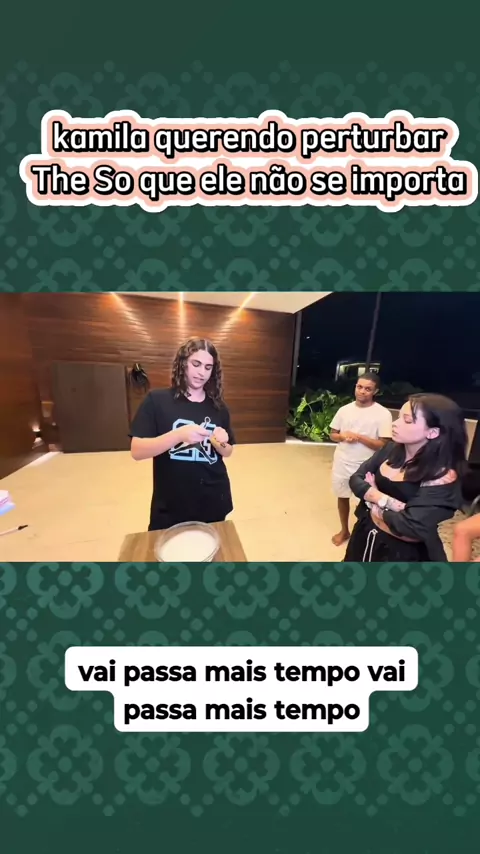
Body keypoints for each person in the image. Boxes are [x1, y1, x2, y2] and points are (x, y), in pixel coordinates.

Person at [344, 394, 467, 562]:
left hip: (404, 554)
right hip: (366, 532)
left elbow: (410, 526)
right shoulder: (390, 450)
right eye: (399, 417)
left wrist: (372, 498)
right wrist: (395, 505)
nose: (395, 423)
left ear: (432, 432)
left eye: (407, 420)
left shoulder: (443, 476)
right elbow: (356, 479)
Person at [130, 337, 235, 530]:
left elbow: (228, 452)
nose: (202, 373)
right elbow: (137, 451)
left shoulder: (219, 407)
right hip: (172, 501)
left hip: (213, 498)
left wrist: (220, 442)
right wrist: (178, 435)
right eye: (196, 364)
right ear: (183, 363)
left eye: (208, 367)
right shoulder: (157, 400)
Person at [330, 372, 393, 546]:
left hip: (366, 466)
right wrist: (342, 436)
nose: (362, 391)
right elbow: (333, 434)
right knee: (342, 496)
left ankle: (363, 536)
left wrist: (359, 437)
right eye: (359, 387)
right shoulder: (344, 410)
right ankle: (344, 530)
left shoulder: (383, 414)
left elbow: (384, 445)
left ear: (375, 391)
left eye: (368, 389)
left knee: (368, 502)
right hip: (342, 461)